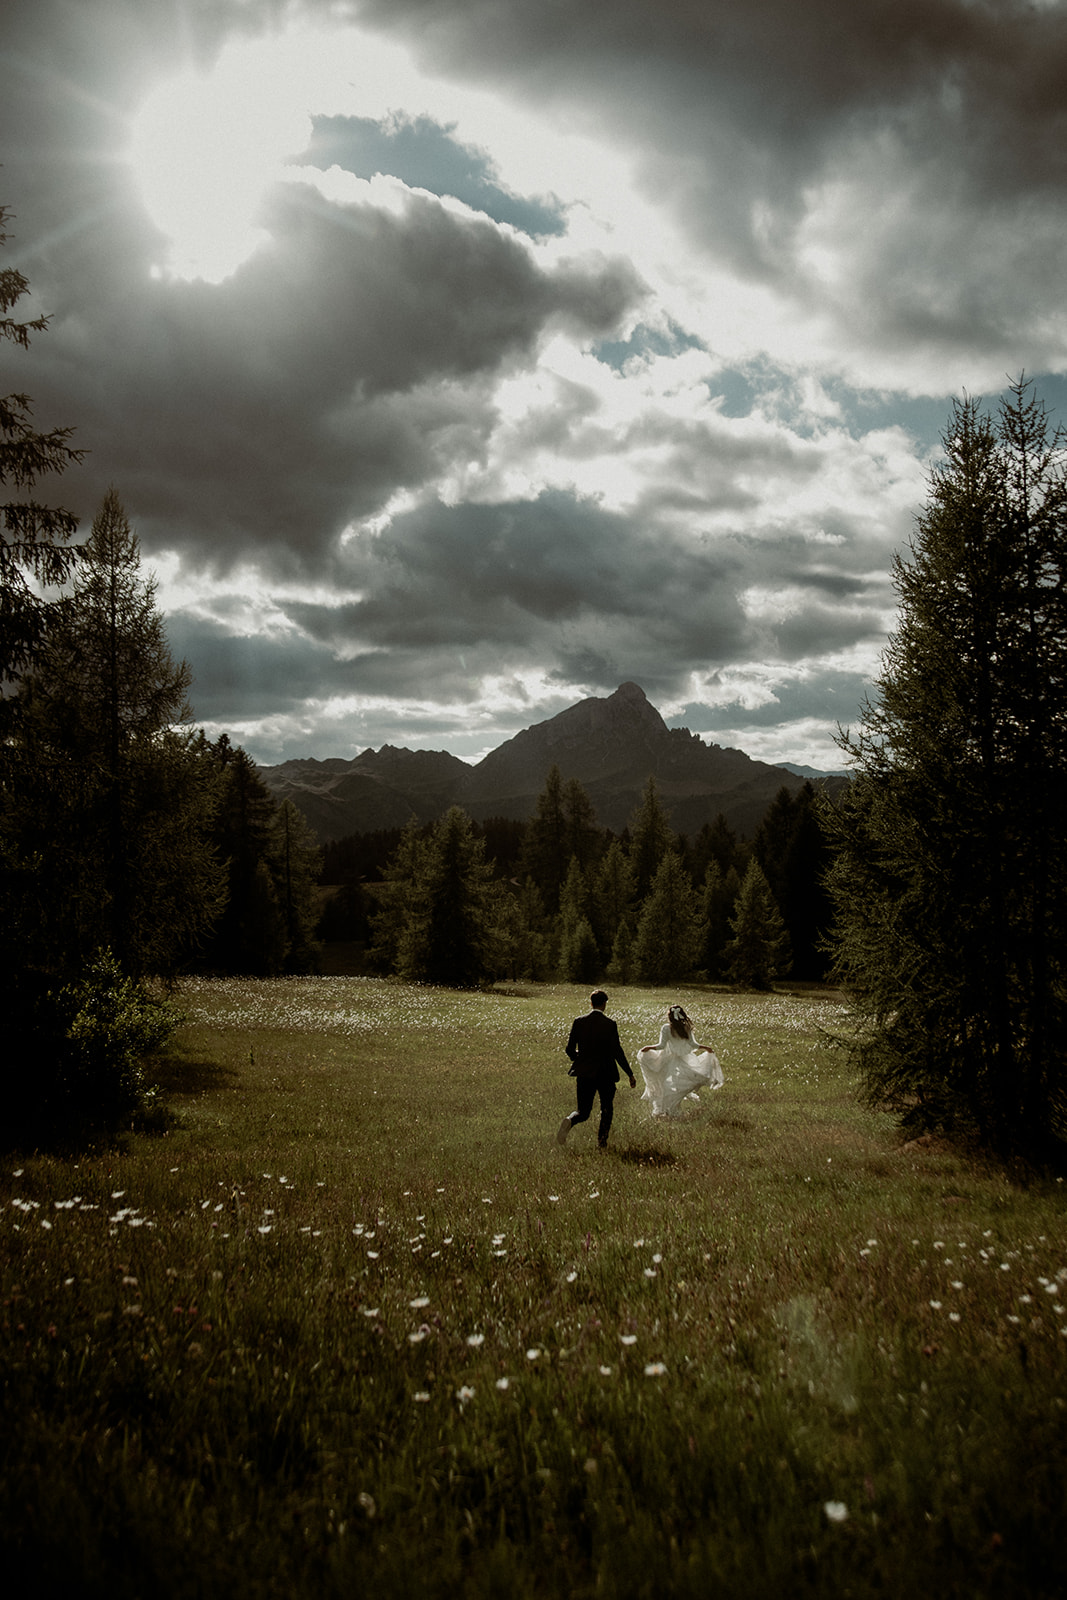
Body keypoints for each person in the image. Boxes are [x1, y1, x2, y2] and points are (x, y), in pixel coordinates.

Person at [557, 989, 636, 1149]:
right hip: (605, 1072)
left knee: (583, 1112)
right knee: (607, 1108)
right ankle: (602, 1142)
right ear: (604, 1004)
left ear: (591, 1002)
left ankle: (570, 1120)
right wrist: (629, 1073)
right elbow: (617, 1051)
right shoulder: (610, 1024)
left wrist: (579, 1058)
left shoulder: (579, 1021)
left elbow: (570, 1049)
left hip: (584, 1072)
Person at [636, 1003, 723, 1117]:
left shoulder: (666, 1028)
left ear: (669, 1017)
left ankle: (668, 1109)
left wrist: (649, 1047)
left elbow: (661, 1046)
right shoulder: (686, 1028)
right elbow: (693, 1044)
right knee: (677, 1083)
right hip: (683, 1058)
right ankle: (670, 1109)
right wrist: (705, 1047)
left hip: (668, 1059)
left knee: (665, 1083)